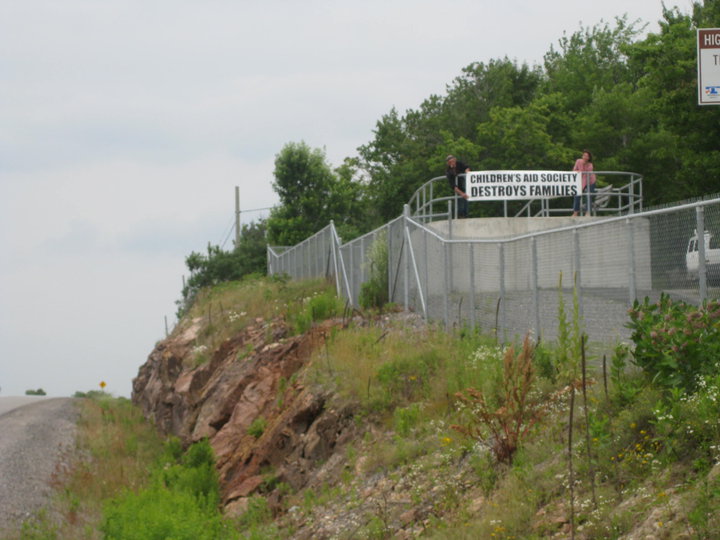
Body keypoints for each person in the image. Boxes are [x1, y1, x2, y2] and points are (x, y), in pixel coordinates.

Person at [571, 150, 597, 217]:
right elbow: (574, 170)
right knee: (577, 195)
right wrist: (577, 171)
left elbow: (586, 176)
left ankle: (588, 213)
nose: (585, 157)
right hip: (581, 180)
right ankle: (575, 213)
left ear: (589, 158)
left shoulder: (590, 165)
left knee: (588, 195)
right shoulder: (578, 161)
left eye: (587, 156)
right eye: (584, 155)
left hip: (590, 181)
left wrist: (581, 187)